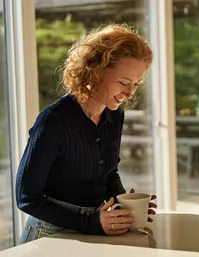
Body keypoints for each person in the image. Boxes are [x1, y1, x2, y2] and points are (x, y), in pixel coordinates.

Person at [16, 24, 156, 243]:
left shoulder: (114, 116)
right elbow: (26, 198)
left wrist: (127, 205)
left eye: (136, 84)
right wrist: (90, 222)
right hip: (49, 235)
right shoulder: (53, 121)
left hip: (94, 229)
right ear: (96, 71)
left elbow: (108, 173)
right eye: (123, 83)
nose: (129, 93)